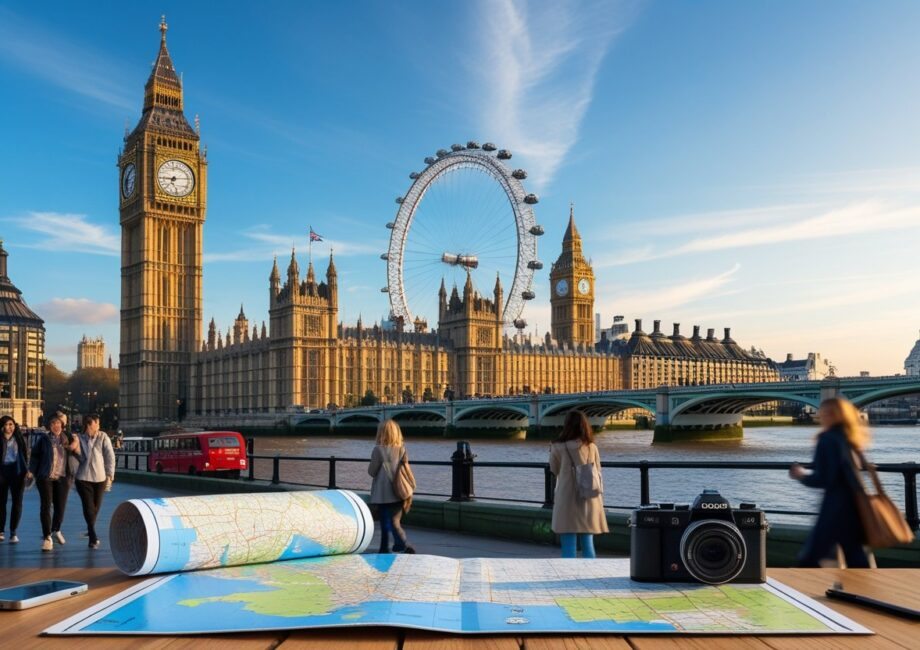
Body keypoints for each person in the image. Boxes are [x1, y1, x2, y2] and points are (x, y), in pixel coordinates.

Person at [789, 397, 870, 568]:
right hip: (854, 504)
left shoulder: (827, 439)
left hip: (835, 506)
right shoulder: (850, 438)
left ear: (832, 415)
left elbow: (825, 478)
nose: (820, 416)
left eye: (824, 413)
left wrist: (801, 474)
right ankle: (866, 590)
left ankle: (800, 593)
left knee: (810, 558)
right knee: (855, 556)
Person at [549, 410, 608, 558]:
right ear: (584, 426)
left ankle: (569, 577)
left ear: (566, 425)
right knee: (588, 544)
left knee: (568, 545)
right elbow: (598, 470)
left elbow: (554, 470)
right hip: (588, 495)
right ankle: (590, 576)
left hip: (566, 496)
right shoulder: (592, 446)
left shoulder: (557, 446)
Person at [29, 414, 77, 551]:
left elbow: (78, 450)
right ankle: (47, 537)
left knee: (60, 507)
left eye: (59, 424)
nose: (56, 426)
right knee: (46, 506)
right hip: (45, 477)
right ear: (50, 426)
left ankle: (56, 529)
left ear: (62, 426)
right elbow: (35, 456)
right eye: (53, 424)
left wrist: (74, 445)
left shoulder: (67, 439)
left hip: (62, 478)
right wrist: (32, 470)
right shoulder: (43, 439)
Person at [368, 419, 415, 554]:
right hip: (400, 491)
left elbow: (371, 472)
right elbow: (406, 470)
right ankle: (398, 545)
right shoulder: (402, 450)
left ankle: (398, 545)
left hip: (383, 494)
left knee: (384, 523)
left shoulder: (378, 450)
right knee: (395, 522)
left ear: (381, 434)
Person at [72, 414, 115, 549]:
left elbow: (110, 456)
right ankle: (92, 537)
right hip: (83, 478)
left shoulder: (103, 437)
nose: (99, 426)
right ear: (89, 424)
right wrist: (74, 448)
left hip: (100, 478)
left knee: (96, 508)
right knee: (89, 507)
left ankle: (90, 530)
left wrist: (110, 475)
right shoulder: (79, 438)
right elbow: (77, 455)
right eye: (97, 423)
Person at [0, 415, 30, 544]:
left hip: (17, 472)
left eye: (11, 424)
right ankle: (1, 530)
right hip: (2, 472)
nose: (8, 427)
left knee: (17, 502)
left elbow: (24, 454)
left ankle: (13, 531)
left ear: (14, 425)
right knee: (1, 503)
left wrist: (27, 470)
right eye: (5, 425)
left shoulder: (19, 438)